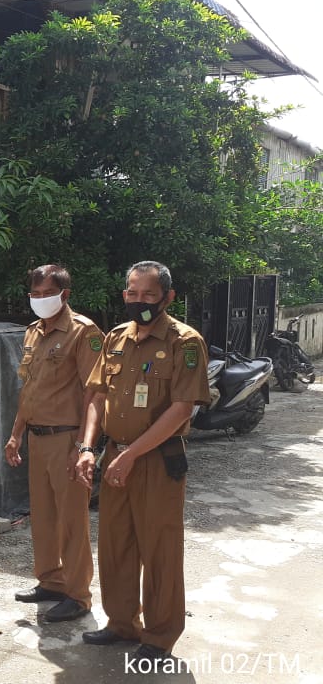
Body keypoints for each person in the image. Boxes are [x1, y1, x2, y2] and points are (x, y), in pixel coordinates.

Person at [75, 261, 209, 663]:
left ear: (167, 297)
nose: (139, 302)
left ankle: (159, 635)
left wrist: (131, 455)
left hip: (155, 460)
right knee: (116, 544)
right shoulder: (116, 338)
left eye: (149, 295)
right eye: (132, 294)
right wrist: (87, 447)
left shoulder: (185, 342)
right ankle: (120, 623)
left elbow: (182, 409)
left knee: (159, 548)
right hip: (116, 456)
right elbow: (98, 398)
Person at [4, 265, 102, 622]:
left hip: (67, 439)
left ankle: (78, 596)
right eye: (36, 293)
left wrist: (85, 445)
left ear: (65, 294)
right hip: (37, 438)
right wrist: (16, 434)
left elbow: (95, 392)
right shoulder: (32, 333)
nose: (41, 300)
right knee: (43, 516)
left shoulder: (83, 332)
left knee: (71, 520)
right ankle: (51, 581)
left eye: (48, 293)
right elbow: (28, 391)